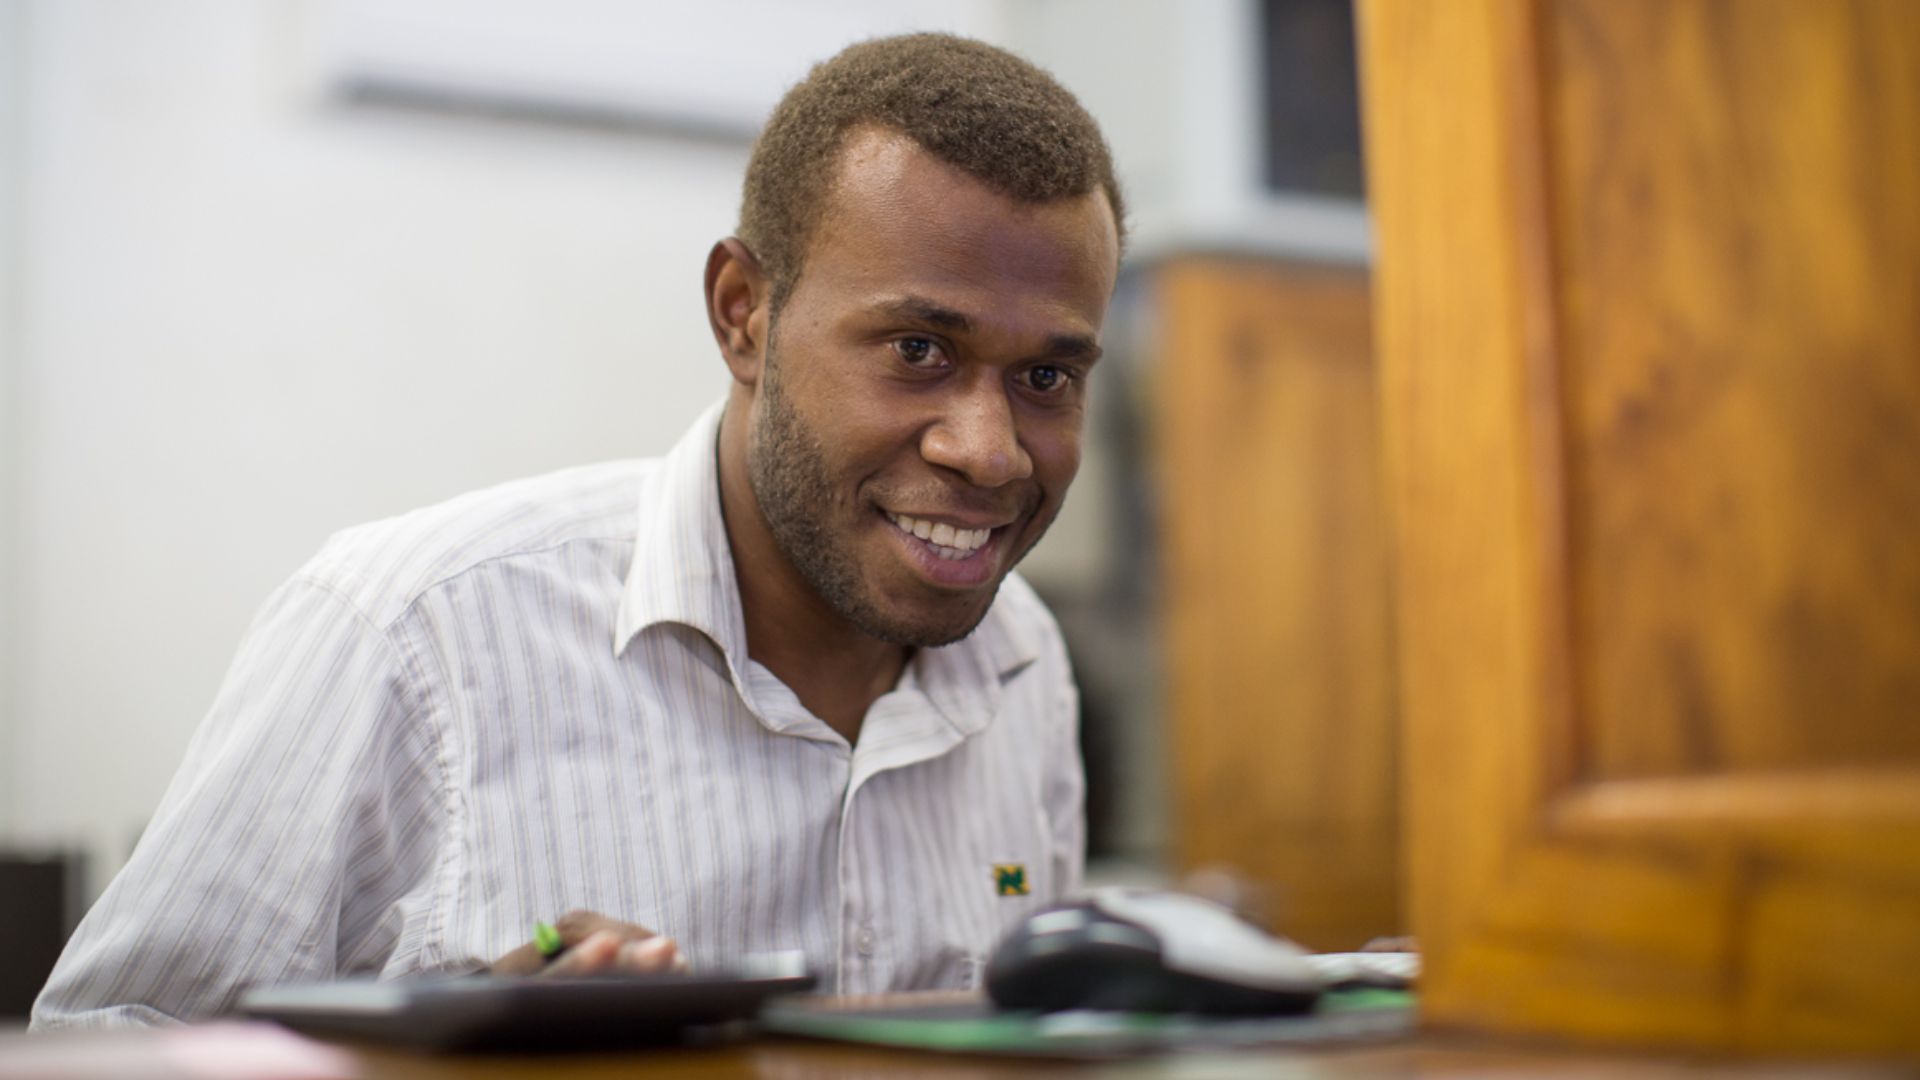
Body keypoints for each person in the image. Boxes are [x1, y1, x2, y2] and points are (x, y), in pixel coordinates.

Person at [32, 33, 1125, 1028]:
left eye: (1046, 375)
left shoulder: (1022, 661)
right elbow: (96, 1053)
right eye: (917, 351)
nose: (989, 451)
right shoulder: (414, 636)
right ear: (743, 314)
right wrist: (436, 1060)